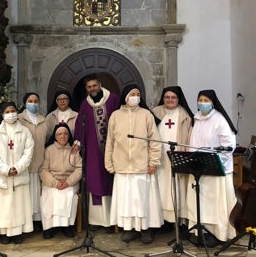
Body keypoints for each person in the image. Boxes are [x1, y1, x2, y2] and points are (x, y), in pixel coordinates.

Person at [105, 84, 163, 244]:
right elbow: (110, 141)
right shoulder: (115, 116)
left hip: (142, 167)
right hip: (122, 167)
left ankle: (146, 229)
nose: (135, 97)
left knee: (143, 200)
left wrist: (154, 162)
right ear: (126, 97)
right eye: (132, 94)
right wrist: (109, 163)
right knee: (127, 201)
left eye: (138, 94)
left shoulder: (146, 115)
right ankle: (130, 229)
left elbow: (155, 141)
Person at [185, 89, 237, 247]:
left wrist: (212, 160)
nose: (202, 103)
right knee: (200, 202)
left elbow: (229, 146)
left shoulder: (220, 120)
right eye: (200, 99)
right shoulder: (197, 119)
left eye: (206, 100)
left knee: (214, 204)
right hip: (198, 168)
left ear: (213, 102)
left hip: (216, 169)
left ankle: (218, 234)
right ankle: (201, 231)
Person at [74, 74, 119, 228]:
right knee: (96, 181)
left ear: (99, 85)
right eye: (89, 87)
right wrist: (78, 142)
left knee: (111, 181)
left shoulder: (112, 99)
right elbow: (80, 125)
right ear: (86, 89)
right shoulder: (85, 105)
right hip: (93, 152)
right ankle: (97, 221)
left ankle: (113, 220)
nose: (92, 89)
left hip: (112, 150)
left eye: (94, 86)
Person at [0, 102, 34, 244]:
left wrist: (17, 168)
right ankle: (3, 233)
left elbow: (28, 152)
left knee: (18, 205)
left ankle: (18, 232)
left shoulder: (25, 131)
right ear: (2, 114)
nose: (10, 113)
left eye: (13, 110)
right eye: (7, 111)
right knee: (3, 207)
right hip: (2, 176)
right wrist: (5, 169)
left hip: (19, 174)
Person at [152, 86, 194, 232]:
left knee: (178, 189)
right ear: (163, 98)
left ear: (178, 99)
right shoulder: (156, 112)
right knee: (160, 189)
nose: (170, 100)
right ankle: (162, 220)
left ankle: (179, 221)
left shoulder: (185, 115)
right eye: (167, 97)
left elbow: (189, 138)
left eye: (173, 97)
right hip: (160, 158)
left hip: (178, 157)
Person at [39, 123, 82, 239]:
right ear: (55, 136)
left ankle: (66, 226)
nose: (62, 136)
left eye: (65, 134)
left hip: (69, 182)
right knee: (50, 194)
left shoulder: (74, 150)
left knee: (67, 194)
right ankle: (49, 227)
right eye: (59, 134)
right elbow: (43, 170)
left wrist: (68, 182)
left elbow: (79, 168)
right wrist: (55, 183)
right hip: (52, 182)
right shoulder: (48, 150)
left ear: (68, 136)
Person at [18, 92, 48, 231]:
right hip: (24, 166)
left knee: (37, 195)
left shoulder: (44, 120)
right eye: (30, 101)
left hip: (40, 163)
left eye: (36, 101)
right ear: (25, 103)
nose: (33, 103)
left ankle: (36, 222)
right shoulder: (19, 119)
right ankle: (24, 222)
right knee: (25, 197)